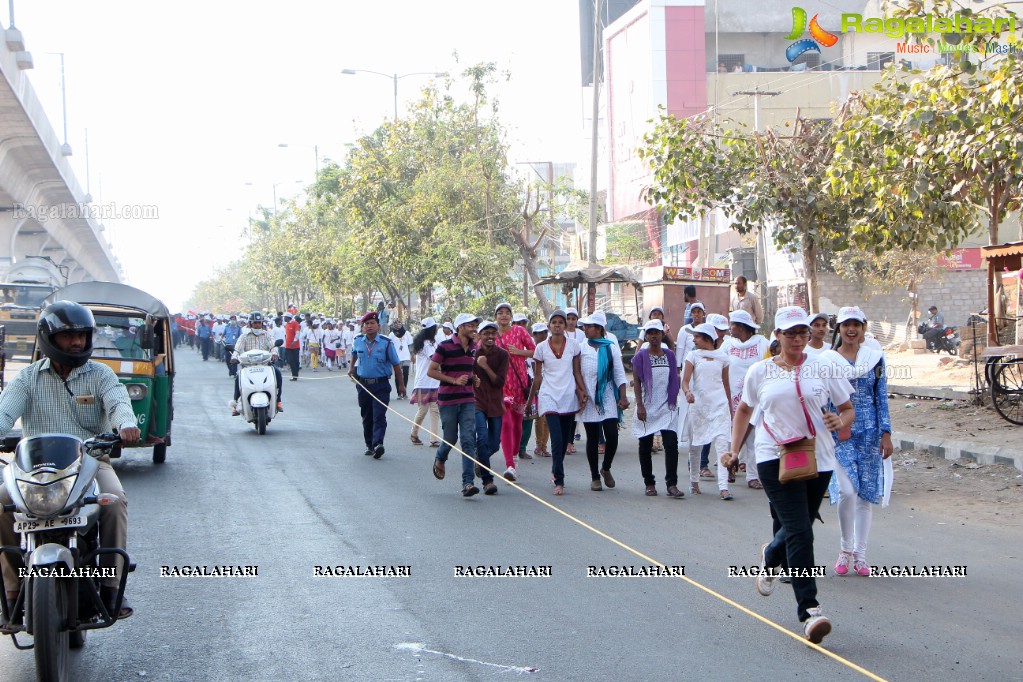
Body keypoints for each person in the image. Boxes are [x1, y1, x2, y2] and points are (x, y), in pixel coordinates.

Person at [721, 306, 855, 644]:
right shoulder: (760, 371)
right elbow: (745, 410)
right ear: (777, 336)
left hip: (818, 458)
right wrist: (735, 450)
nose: (797, 339)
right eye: (790, 333)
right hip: (773, 456)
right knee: (800, 531)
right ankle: (810, 611)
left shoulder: (824, 367)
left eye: (803, 333)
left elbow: (847, 408)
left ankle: (771, 554)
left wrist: (841, 422)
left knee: (800, 527)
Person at [0, 301, 141, 619]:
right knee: (0, 503)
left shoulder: (101, 375)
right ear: (49, 337)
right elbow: (4, 412)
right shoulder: (27, 379)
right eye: (68, 336)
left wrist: (126, 425)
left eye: (81, 335)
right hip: (33, 469)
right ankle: (11, 591)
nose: (77, 342)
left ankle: (112, 587)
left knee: (114, 500)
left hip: (90, 464)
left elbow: (118, 402)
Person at [821, 306, 893, 578]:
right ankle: (845, 548)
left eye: (856, 325)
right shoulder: (827, 360)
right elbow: (823, 399)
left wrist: (886, 432)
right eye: (845, 325)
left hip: (870, 432)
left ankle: (861, 555)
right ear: (838, 329)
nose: (851, 330)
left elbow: (881, 396)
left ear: (863, 328)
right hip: (839, 434)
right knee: (846, 491)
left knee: (865, 495)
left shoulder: (875, 359)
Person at [526, 309, 587, 496]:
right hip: (548, 396)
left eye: (561, 322)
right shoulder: (541, 348)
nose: (558, 325)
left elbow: (577, 371)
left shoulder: (574, 345)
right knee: (558, 438)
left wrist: (582, 391)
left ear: (566, 325)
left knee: (563, 439)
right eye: (555, 322)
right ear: (549, 326)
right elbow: (537, 378)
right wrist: (529, 402)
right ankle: (559, 480)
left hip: (568, 396)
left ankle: (555, 468)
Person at [429, 314, 482, 496]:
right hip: (448, 400)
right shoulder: (444, 346)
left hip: (468, 399)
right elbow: (431, 371)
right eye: (471, 325)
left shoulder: (475, 347)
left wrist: (475, 378)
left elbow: (469, 367)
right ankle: (440, 457)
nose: (474, 328)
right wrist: (453, 380)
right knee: (450, 438)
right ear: (460, 327)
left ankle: (468, 483)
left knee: (468, 440)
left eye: (476, 325)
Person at [631, 320, 683, 497]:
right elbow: (637, 382)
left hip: (667, 406)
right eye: (650, 332)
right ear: (645, 336)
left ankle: (672, 483)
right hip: (647, 406)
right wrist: (639, 405)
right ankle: (649, 482)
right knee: (645, 446)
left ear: (662, 335)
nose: (653, 336)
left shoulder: (669, 355)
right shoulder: (640, 357)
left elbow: (674, 378)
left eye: (657, 332)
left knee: (671, 444)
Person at [682, 322, 733, 499]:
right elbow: (685, 381)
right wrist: (688, 392)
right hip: (699, 407)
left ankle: (723, 487)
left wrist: (731, 408)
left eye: (696, 337)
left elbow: (726, 384)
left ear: (707, 338)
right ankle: (694, 482)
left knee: (722, 445)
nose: (694, 340)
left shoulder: (723, 357)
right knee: (696, 446)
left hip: (719, 406)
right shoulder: (693, 355)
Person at [579, 312, 629, 491]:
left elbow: (619, 374)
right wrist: (580, 391)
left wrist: (623, 396)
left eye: (589, 326)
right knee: (592, 438)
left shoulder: (611, 347)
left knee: (612, 436)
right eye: (584, 326)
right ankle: (595, 477)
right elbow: (576, 371)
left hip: (607, 395)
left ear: (599, 329)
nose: (585, 329)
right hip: (589, 397)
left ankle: (606, 467)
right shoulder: (582, 347)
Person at [722, 310, 771, 490]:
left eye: (732, 325)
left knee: (753, 437)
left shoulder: (762, 344)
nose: (730, 328)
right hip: (732, 398)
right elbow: (720, 365)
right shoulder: (727, 345)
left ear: (741, 326)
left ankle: (753, 475)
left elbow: (770, 364)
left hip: (754, 397)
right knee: (731, 436)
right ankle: (728, 469)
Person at [349, 310, 406, 459]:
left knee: (379, 415)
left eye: (372, 323)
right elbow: (354, 354)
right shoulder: (358, 341)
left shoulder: (386, 343)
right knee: (367, 415)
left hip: (381, 384)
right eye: (366, 324)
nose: (369, 326)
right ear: (363, 326)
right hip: (363, 385)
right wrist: (351, 369)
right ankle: (369, 444)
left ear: (378, 326)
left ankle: (378, 444)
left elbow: (396, 365)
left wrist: (401, 386)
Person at [494, 302, 536, 480]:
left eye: (507, 313)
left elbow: (536, 351)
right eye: (500, 313)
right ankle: (509, 464)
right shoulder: (491, 334)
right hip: (499, 384)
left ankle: (515, 453)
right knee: (506, 423)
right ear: (495, 316)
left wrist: (519, 351)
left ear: (511, 316)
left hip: (519, 382)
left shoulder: (519, 331)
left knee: (518, 423)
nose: (504, 316)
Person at [473, 320, 509, 492]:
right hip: (477, 402)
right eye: (486, 333)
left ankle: (479, 459)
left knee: (494, 444)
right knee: (482, 438)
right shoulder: (472, 353)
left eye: (493, 333)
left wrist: (485, 366)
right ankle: (488, 481)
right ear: (479, 335)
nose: (490, 336)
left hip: (495, 403)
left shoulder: (502, 355)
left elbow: (499, 382)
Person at [230, 311, 283, 415]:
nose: (257, 325)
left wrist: (275, 353)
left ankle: (278, 401)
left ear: (262, 323)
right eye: (255, 323)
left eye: (259, 322)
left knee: (278, 374)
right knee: (238, 378)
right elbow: (237, 349)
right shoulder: (244, 336)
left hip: (265, 365)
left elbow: (273, 346)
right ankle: (235, 404)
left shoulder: (267, 335)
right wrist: (234, 357)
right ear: (250, 324)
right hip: (248, 366)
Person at [520, 323, 551, 458]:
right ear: (534, 335)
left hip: (549, 386)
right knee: (538, 418)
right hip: (535, 387)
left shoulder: (550, 347)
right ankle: (539, 445)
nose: (542, 335)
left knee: (547, 418)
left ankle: (543, 445)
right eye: (538, 333)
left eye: (544, 332)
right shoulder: (531, 350)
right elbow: (531, 369)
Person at [410, 318, 441, 447]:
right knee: (423, 410)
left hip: (432, 381)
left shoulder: (429, 343)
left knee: (434, 410)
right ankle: (414, 433)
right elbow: (434, 358)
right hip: (424, 381)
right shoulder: (427, 344)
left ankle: (433, 438)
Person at [388, 319, 413, 399]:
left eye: (399, 322)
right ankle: (399, 393)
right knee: (398, 375)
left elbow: (410, 345)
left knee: (405, 374)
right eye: (395, 323)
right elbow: (389, 346)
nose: (397, 324)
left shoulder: (407, 333)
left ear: (401, 324)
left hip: (406, 356)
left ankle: (404, 391)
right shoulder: (391, 334)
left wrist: (413, 355)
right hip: (396, 357)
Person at [283, 313, 301, 381]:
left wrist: (294, 341)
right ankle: (294, 375)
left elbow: (297, 333)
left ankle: (296, 374)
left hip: (295, 346)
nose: (284, 318)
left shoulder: (295, 323)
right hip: (288, 346)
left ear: (288, 317)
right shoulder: (287, 324)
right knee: (290, 361)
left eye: (285, 317)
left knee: (296, 361)